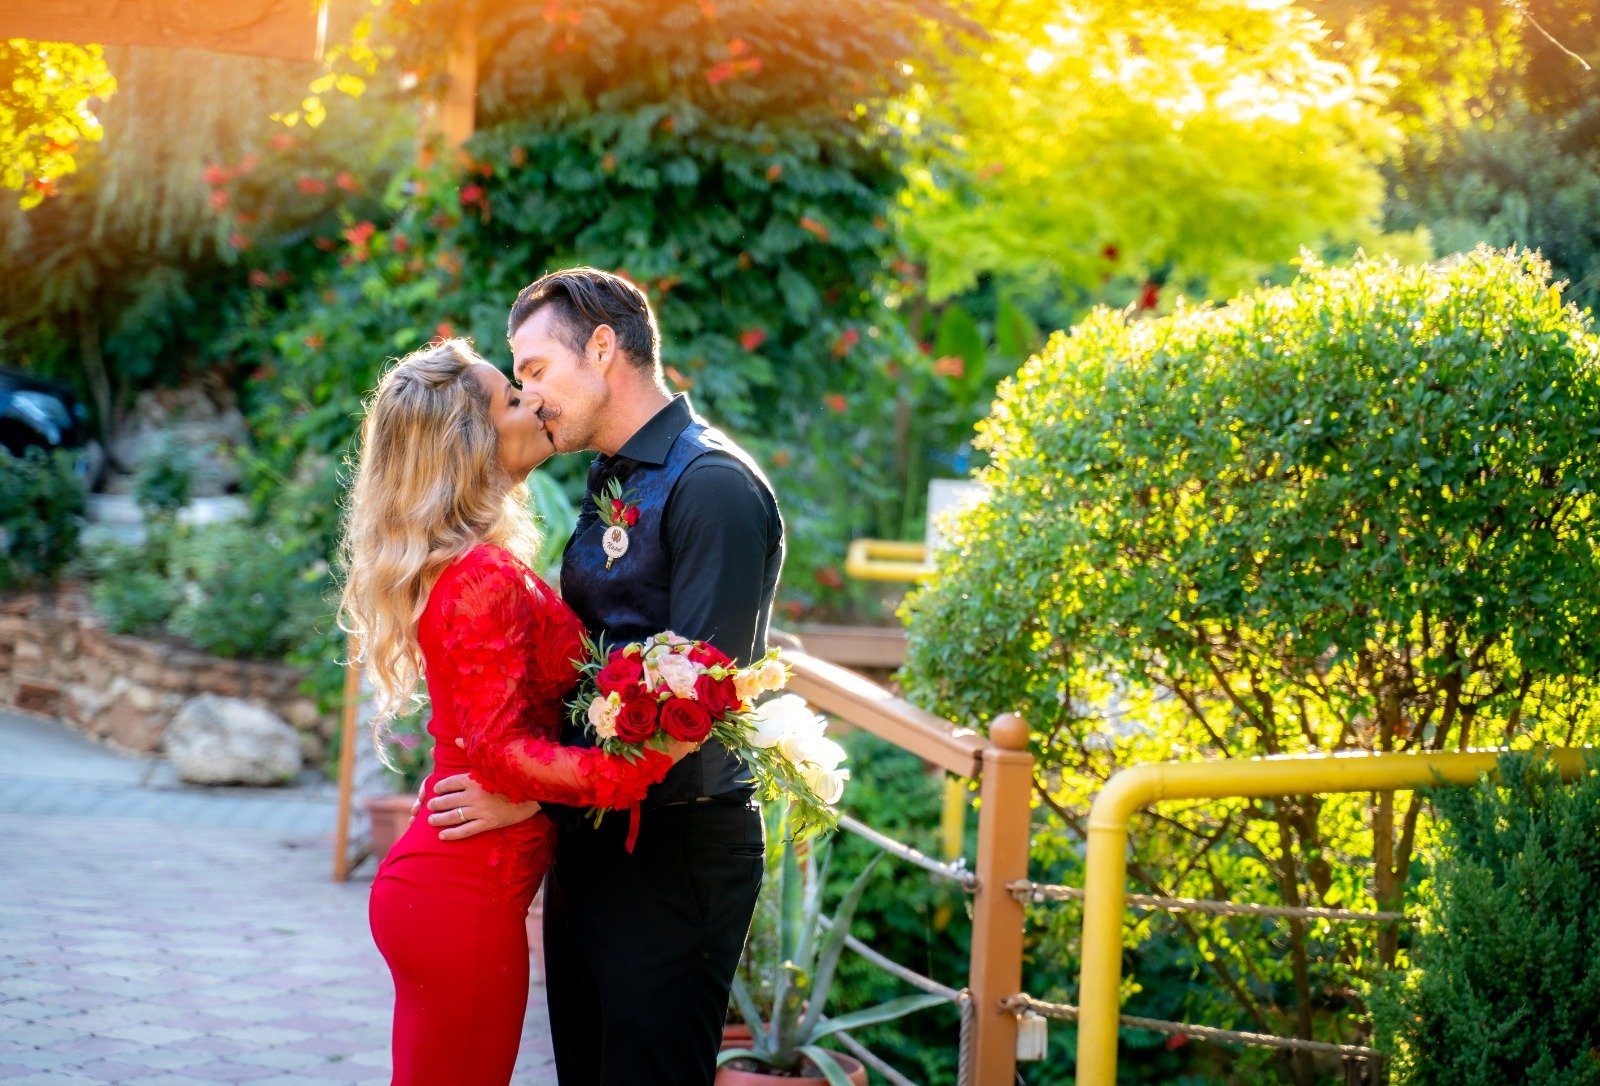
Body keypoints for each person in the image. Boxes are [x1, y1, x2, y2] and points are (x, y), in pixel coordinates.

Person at [426, 267, 785, 1085]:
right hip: (590, 832)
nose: (532, 398)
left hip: (676, 848)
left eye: (537, 372)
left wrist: (529, 791)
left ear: (602, 346)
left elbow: (699, 709)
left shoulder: (713, 488)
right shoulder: (611, 475)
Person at [339, 339, 695, 1086]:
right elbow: (499, 752)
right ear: (469, 443)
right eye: (511, 397)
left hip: (455, 888)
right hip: (461, 893)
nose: (533, 401)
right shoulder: (480, 576)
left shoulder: (472, 563)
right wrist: (639, 760)